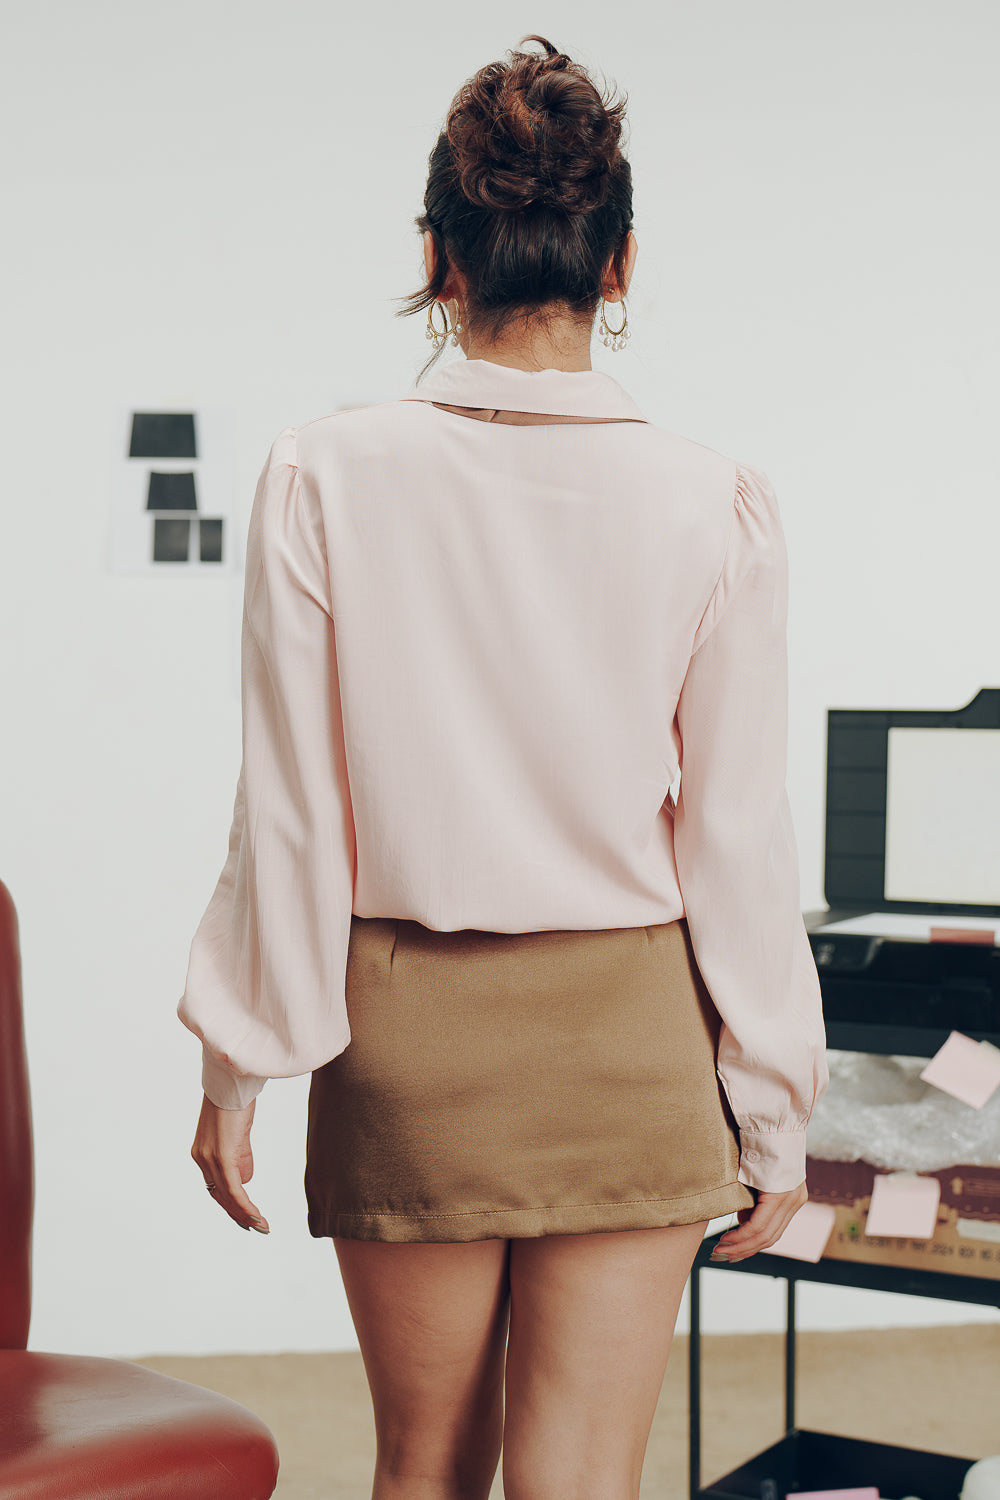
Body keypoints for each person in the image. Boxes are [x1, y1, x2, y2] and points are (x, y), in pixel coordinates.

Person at [178, 33, 829, 1500]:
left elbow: (289, 812)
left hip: (409, 1042)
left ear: (437, 254)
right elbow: (737, 840)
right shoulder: (714, 503)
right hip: (629, 1041)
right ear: (621, 266)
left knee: (424, 1473)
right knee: (580, 1483)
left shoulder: (321, 475)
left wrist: (236, 1062)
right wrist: (778, 1105)